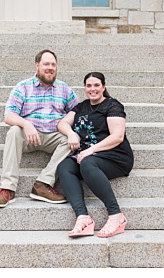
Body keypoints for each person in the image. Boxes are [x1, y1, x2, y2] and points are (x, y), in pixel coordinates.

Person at [0, 49, 77, 208]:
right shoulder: (23, 87)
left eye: (53, 64)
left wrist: (71, 132)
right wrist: (26, 124)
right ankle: (7, 189)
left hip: (54, 136)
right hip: (29, 136)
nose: (50, 68)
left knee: (71, 140)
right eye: (46, 64)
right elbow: (8, 116)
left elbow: (77, 112)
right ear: (37, 66)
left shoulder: (65, 89)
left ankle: (43, 184)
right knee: (14, 131)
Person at [56, 72, 134, 238]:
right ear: (85, 88)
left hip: (115, 156)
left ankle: (116, 215)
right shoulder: (82, 107)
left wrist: (90, 150)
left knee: (87, 163)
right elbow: (62, 123)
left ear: (103, 87)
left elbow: (117, 137)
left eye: (96, 85)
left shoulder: (112, 106)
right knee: (64, 167)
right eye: (89, 86)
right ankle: (83, 218)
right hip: (89, 157)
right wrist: (71, 134)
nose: (92, 89)